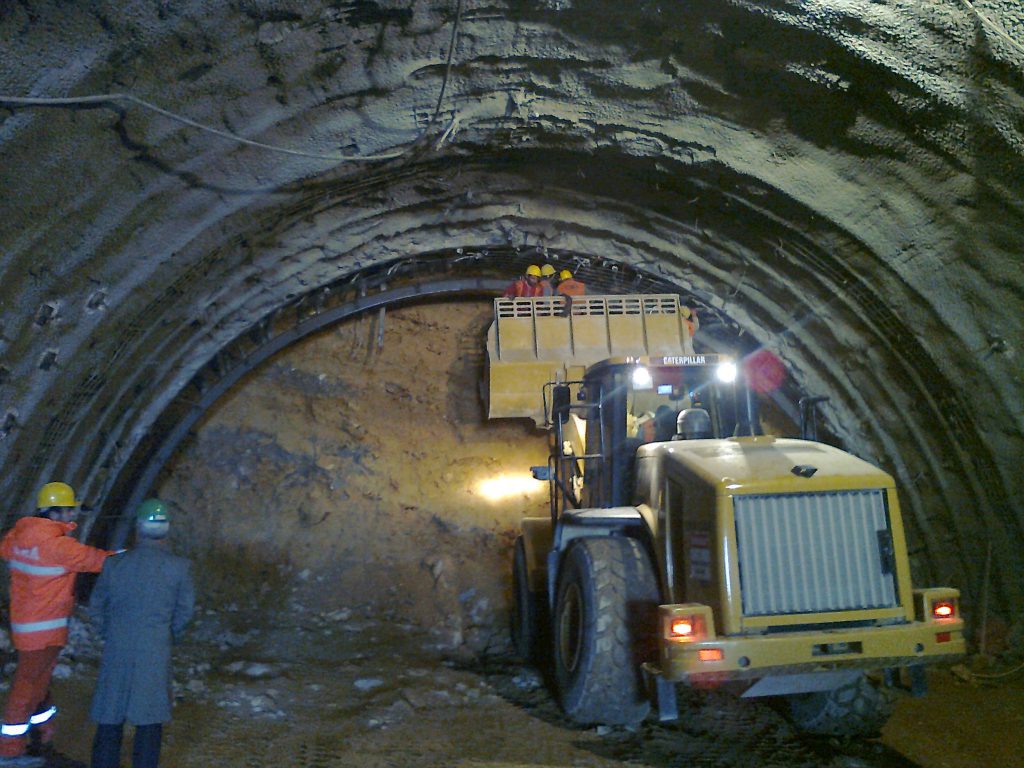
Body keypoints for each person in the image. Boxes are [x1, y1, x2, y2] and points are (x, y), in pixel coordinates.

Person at [0, 481, 114, 768]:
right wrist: (132, 555)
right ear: (56, 512)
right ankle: (10, 750)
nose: (70, 517)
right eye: (68, 511)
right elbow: (99, 561)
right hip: (45, 629)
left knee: (38, 685)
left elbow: (6, 549)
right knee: (26, 687)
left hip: (27, 626)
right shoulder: (59, 546)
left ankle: (41, 739)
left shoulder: (18, 536)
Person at [89, 499, 194, 768]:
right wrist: (167, 637)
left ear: (138, 528)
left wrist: (108, 634)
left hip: (118, 649)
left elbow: (97, 606)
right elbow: (184, 611)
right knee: (149, 720)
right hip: (154, 651)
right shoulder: (178, 567)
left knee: (110, 717)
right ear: (166, 529)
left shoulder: (115, 564)